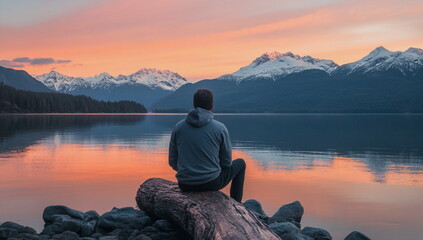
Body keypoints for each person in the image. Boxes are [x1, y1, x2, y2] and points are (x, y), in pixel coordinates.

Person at [168, 88, 246, 202]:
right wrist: (211, 169)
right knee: (241, 163)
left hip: (185, 184)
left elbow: (172, 161)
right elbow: (227, 162)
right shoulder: (220, 128)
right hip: (211, 183)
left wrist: (189, 172)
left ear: (194, 104)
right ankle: (237, 204)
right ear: (211, 105)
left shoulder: (178, 127)